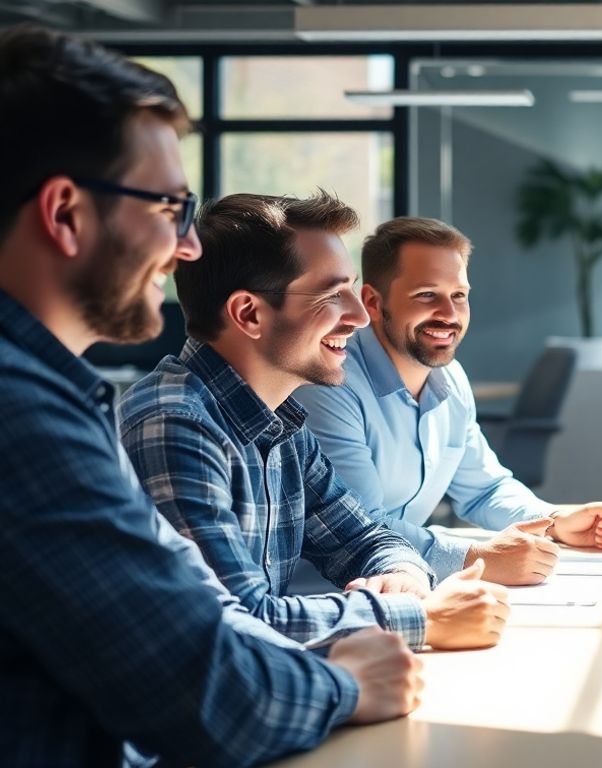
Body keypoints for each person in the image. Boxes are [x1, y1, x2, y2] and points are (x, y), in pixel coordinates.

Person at [0, 25, 419, 766]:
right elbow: (202, 690)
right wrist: (342, 681)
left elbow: (206, 615)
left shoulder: (59, 398)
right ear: (66, 214)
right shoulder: (21, 415)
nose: (187, 248)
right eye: (169, 208)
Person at [119, 192, 510, 652]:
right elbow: (234, 622)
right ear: (249, 313)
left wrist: (400, 575)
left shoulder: (280, 422)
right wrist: (418, 617)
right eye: (333, 294)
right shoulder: (174, 424)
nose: (362, 316)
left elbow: (365, 535)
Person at [294, 217, 602, 585]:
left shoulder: (450, 379)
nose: (449, 314)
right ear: (373, 301)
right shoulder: (331, 385)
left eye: (458, 295)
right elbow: (361, 524)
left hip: (406, 587)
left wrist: (554, 522)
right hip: (324, 599)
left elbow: (484, 488)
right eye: (426, 295)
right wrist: (476, 557)